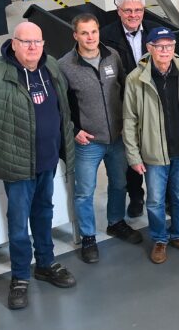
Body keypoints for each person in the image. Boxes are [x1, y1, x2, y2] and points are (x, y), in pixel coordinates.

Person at [0, 21, 77, 310]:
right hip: (17, 166)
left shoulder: (50, 67)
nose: (32, 47)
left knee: (43, 214)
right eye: (26, 42)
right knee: (18, 224)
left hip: (47, 160)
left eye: (37, 42)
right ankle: (19, 277)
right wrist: (4, 144)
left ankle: (45, 263)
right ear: (14, 44)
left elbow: (62, 107)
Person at [58, 13, 142, 265]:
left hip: (117, 138)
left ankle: (116, 222)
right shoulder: (64, 66)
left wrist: (128, 125)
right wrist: (74, 130)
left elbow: (125, 90)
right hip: (88, 142)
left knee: (119, 183)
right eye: (84, 33)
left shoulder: (112, 56)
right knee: (84, 192)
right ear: (75, 35)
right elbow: (60, 105)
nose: (90, 37)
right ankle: (88, 238)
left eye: (93, 32)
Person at [122, 26, 179, 264]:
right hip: (153, 153)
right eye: (160, 47)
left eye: (169, 46)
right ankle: (160, 239)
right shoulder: (135, 79)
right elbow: (129, 120)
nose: (165, 51)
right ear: (149, 48)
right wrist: (133, 156)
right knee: (155, 201)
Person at [101, 0, 179, 218]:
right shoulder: (106, 36)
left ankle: (167, 198)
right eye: (128, 10)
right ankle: (136, 196)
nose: (133, 15)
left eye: (138, 10)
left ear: (144, 11)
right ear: (119, 11)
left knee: (161, 150)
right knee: (131, 153)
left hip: (156, 102)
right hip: (125, 103)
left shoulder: (156, 31)